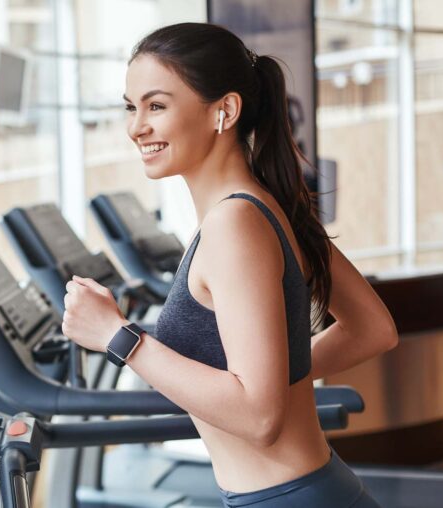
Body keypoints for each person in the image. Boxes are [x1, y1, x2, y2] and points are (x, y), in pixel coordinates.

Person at [62, 23, 398, 508]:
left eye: (156, 105)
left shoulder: (234, 225)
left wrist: (119, 338)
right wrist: (281, 375)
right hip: (304, 490)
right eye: (131, 107)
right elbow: (373, 329)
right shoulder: (263, 205)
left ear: (225, 110)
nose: (136, 126)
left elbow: (260, 418)